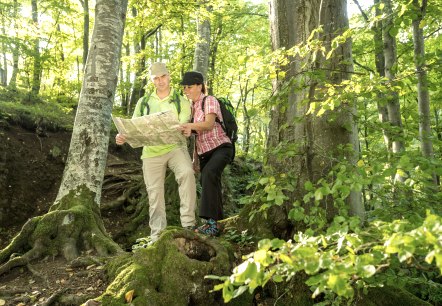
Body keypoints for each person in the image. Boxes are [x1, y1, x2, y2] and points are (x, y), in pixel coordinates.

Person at [115, 62, 196, 243]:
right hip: (151, 152)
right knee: (154, 193)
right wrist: (123, 137)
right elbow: (133, 127)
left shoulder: (180, 100)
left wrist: (182, 128)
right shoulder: (144, 102)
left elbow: (183, 123)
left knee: (187, 173)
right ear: (152, 81)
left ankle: (189, 224)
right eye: (156, 78)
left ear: (169, 77)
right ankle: (157, 235)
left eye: (163, 77)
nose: (160, 81)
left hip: (175, 147)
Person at [178, 71, 234, 236]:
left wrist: (190, 126)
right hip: (204, 153)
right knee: (208, 179)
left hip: (221, 147)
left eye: (189, 87)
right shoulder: (192, 107)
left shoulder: (209, 101)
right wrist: (195, 160)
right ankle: (217, 223)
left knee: (209, 174)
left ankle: (210, 222)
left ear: (199, 86)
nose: (186, 90)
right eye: (184, 88)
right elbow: (197, 136)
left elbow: (209, 124)